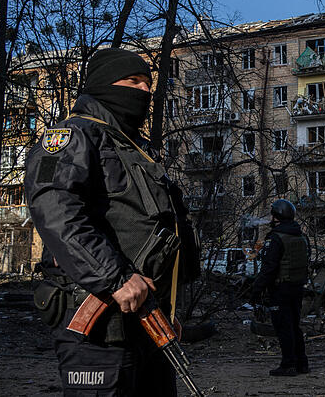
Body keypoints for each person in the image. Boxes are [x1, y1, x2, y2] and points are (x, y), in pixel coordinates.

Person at [26, 48, 200, 395]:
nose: (145, 91)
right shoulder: (71, 136)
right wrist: (115, 278)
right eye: (133, 81)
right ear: (105, 85)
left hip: (147, 316)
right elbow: (55, 209)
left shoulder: (136, 148)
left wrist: (168, 302)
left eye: (148, 83)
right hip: (99, 322)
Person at [251, 199, 310, 376]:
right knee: (294, 326)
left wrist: (256, 290)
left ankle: (288, 365)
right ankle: (301, 364)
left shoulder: (276, 238)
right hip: (297, 287)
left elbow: (269, 268)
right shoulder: (300, 235)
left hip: (281, 289)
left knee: (284, 327)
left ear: (276, 216)